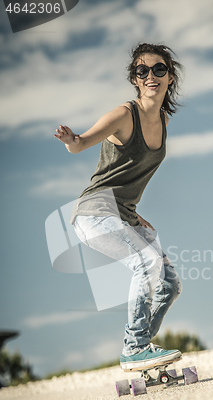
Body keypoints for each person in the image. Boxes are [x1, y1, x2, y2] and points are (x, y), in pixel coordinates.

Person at [54, 43, 183, 372]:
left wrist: (130, 209)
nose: (151, 75)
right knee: (146, 263)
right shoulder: (125, 115)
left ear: (170, 77)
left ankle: (143, 351)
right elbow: (81, 142)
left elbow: (130, 177)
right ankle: (135, 346)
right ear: (136, 80)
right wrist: (73, 141)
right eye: (143, 71)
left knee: (169, 282)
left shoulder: (164, 120)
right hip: (94, 212)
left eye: (159, 69)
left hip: (122, 213)